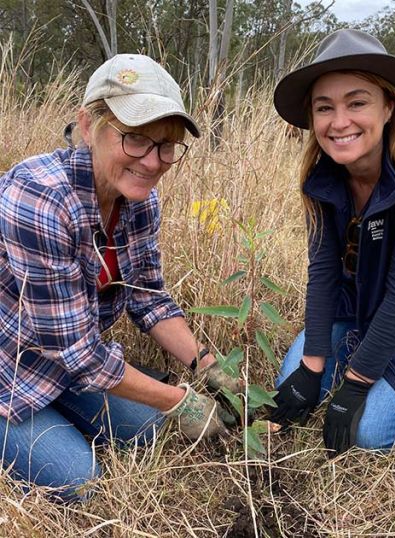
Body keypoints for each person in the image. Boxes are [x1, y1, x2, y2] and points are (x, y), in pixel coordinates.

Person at [0, 54, 240, 502]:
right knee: (79, 482)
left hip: (65, 366)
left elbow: (148, 298)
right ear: (89, 126)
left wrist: (208, 366)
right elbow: (79, 353)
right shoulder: (40, 197)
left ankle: (65, 412)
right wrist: (178, 399)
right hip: (9, 366)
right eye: (135, 139)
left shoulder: (139, 201)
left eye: (167, 145)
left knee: (148, 434)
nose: (153, 162)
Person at [269, 29, 395, 455]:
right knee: (289, 388)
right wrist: (312, 366)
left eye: (357, 103)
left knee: (368, 434)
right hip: (355, 312)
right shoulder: (320, 178)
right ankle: (343, 365)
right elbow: (323, 272)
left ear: (389, 107)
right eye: (325, 108)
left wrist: (355, 387)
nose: (339, 122)